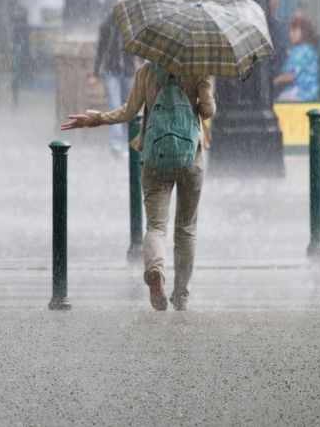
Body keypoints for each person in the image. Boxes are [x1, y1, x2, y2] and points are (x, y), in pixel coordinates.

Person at [61, 62, 215, 312]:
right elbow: (208, 110)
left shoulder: (147, 71)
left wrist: (95, 119)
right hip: (190, 158)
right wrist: (198, 99)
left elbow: (129, 112)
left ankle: (155, 269)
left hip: (155, 157)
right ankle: (181, 295)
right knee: (186, 229)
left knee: (156, 226)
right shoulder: (198, 67)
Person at [89, 13, 137, 157]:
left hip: (128, 73)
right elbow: (100, 50)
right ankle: (117, 143)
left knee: (127, 108)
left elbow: (139, 49)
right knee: (116, 107)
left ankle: (126, 143)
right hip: (111, 73)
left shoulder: (132, 28)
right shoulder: (107, 26)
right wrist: (96, 72)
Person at [273, 17, 320, 102]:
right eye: (290, 31)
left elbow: (290, 75)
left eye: (294, 31)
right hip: (310, 92)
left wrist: (273, 82)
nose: (291, 34)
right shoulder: (308, 49)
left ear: (304, 32)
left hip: (302, 94)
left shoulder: (302, 52)